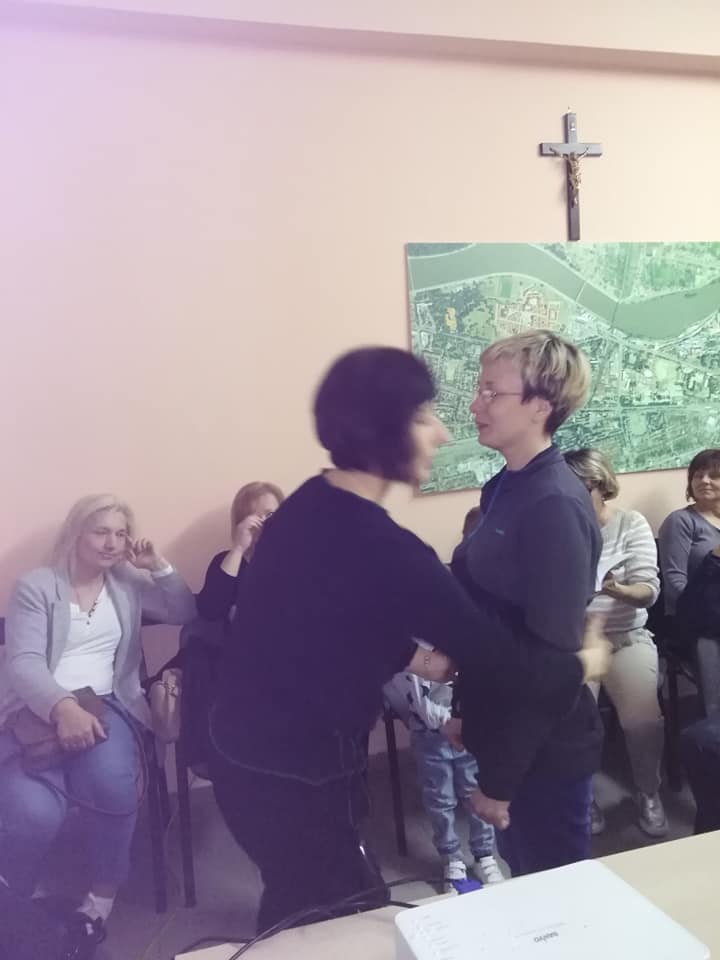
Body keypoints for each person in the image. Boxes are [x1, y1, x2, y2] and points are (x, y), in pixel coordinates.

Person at [208, 346, 608, 933]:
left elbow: (326, 617)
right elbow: (504, 660)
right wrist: (586, 661)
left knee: (303, 903)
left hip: (244, 756)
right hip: (293, 773)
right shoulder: (385, 548)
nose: (442, 432)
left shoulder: (311, 503)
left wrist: (415, 657)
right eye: (423, 416)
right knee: (337, 918)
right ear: (384, 430)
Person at [0, 495, 196, 957]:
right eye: (101, 531)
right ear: (76, 533)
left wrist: (159, 566)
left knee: (112, 787)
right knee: (33, 811)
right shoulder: (36, 587)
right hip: (40, 709)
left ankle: (101, 897)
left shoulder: (127, 583)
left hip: (110, 706)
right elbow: (24, 662)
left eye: (121, 534)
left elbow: (184, 612)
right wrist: (63, 707)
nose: (112, 543)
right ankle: (16, 900)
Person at [451, 329, 603, 878]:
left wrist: (500, 782)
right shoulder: (504, 487)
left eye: (492, 392)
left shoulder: (554, 504)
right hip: (504, 728)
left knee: (556, 896)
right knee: (524, 882)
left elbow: (551, 665)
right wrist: (465, 710)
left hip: (545, 751)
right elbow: (490, 615)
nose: (475, 404)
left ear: (541, 405)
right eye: (479, 389)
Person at [564, 448, 666, 837]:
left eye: (577, 487)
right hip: (575, 642)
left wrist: (619, 590)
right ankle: (583, 796)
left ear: (598, 485)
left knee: (642, 721)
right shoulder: (560, 527)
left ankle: (648, 791)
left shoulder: (630, 523)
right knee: (575, 722)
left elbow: (648, 591)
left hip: (627, 637)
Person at [383, 668, 503, 894]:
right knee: (439, 799)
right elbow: (409, 691)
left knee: (476, 792)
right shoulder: (417, 655)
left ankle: (484, 854)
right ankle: (451, 857)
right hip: (429, 734)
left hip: (470, 728)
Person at [659, 449, 720, 716]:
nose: (704, 480)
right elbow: (675, 585)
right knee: (709, 638)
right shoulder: (681, 521)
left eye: (714, 475)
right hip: (694, 622)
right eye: (698, 475)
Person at [196, 481, 284, 622]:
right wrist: (238, 549)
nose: (262, 522)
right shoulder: (225, 561)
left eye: (270, 514)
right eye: (252, 516)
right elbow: (209, 611)